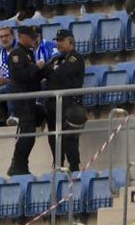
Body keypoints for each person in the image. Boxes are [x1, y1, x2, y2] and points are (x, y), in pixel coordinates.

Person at [42, 28, 85, 172]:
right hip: (53, 104)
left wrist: (52, 72)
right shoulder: (56, 59)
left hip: (68, 104)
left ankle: (74, 166)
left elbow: (62, 74)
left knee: (69, 138)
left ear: (70, 41)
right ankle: (58, 164)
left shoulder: (75, 58)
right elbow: (44, 73)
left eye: (61, 40)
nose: (58, 44)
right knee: (53, 136)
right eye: (57, 41)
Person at [6, 25, 44, 175]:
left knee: (31, 128)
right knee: (27, 133)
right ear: (22, 37)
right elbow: (20, 76)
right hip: (22, 98)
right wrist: (37, 67)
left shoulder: (27, 53)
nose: (34, 39)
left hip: (29, 98)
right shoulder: (17, 54)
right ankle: (18, 165)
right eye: (31, 36)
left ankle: (21, 165)